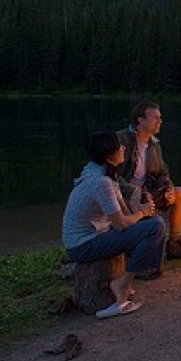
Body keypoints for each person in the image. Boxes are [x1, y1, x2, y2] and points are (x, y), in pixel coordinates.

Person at [62, 131, 165, 319]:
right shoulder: (100, 182)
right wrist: (142, 213)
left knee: (152, 222)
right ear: (110, 155)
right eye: (120, 146)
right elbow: (121, 225)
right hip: (83, 245)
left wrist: (142, 209)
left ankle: (145, 270)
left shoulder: (104, 174)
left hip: (95, 234)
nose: (124, 148)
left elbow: (125, 214)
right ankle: (122, 285)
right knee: (155, 226)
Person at [117, 101, 181, 260]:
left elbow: (162, 172)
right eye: (155, 118)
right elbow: (111, 175)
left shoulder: (154, 146)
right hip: (123, 195)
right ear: (140, 120)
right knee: (153, 217)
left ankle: (174, 243)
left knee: (180, 194)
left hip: (147, 193)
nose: (160, 122)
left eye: (160, 118)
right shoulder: (121, 140)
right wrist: (134, 192)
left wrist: (168, 188)